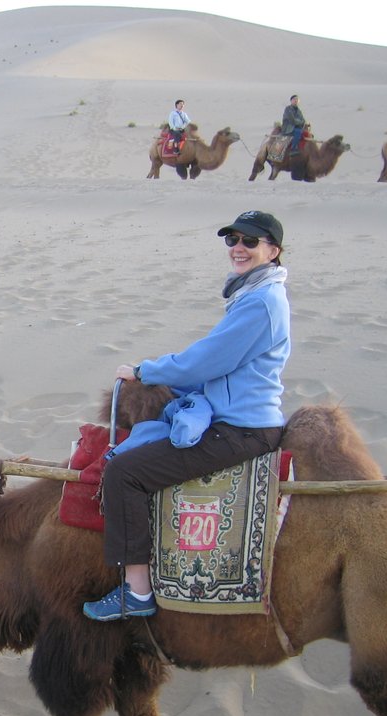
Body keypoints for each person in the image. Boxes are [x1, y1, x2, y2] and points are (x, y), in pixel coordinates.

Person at [83, 211, 290, 620]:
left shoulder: (261, 302)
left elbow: (208, 360)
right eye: (232, 240)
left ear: (273, 251)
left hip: (241, 429)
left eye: (250, 241)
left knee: (124, 472)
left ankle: (136, 592)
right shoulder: (252, 294)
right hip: (240, 418)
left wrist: (145, 371)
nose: (239, 248)